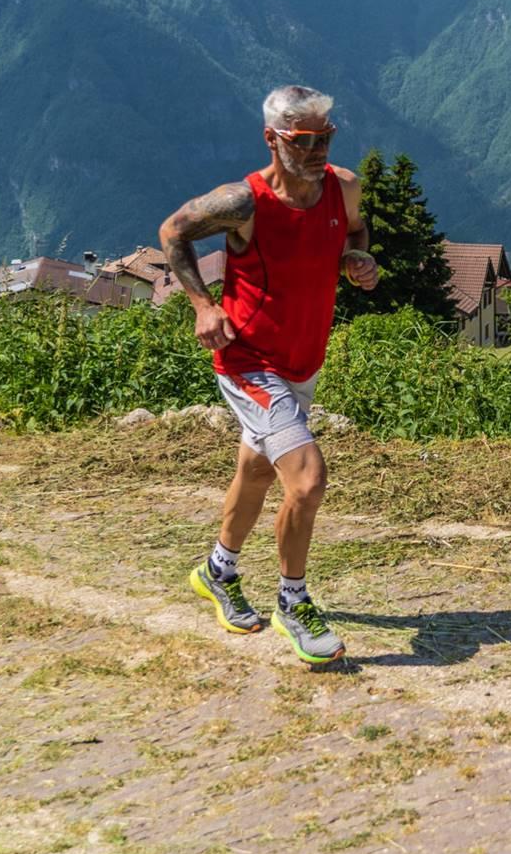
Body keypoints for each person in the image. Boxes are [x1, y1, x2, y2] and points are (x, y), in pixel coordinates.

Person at [157, 85, 378, 663]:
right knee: (305, 480)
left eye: (325, 138)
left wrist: (359, 257)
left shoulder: (343, 187)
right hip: (249, 361)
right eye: (302, 140)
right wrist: (204, 306)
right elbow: (172, 232)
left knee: (256, 472)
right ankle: (293, 603)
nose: (316, 150)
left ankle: (218, 571)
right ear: (271, 138)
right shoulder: (243, 203)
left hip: (304, 360)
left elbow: (354, 230)